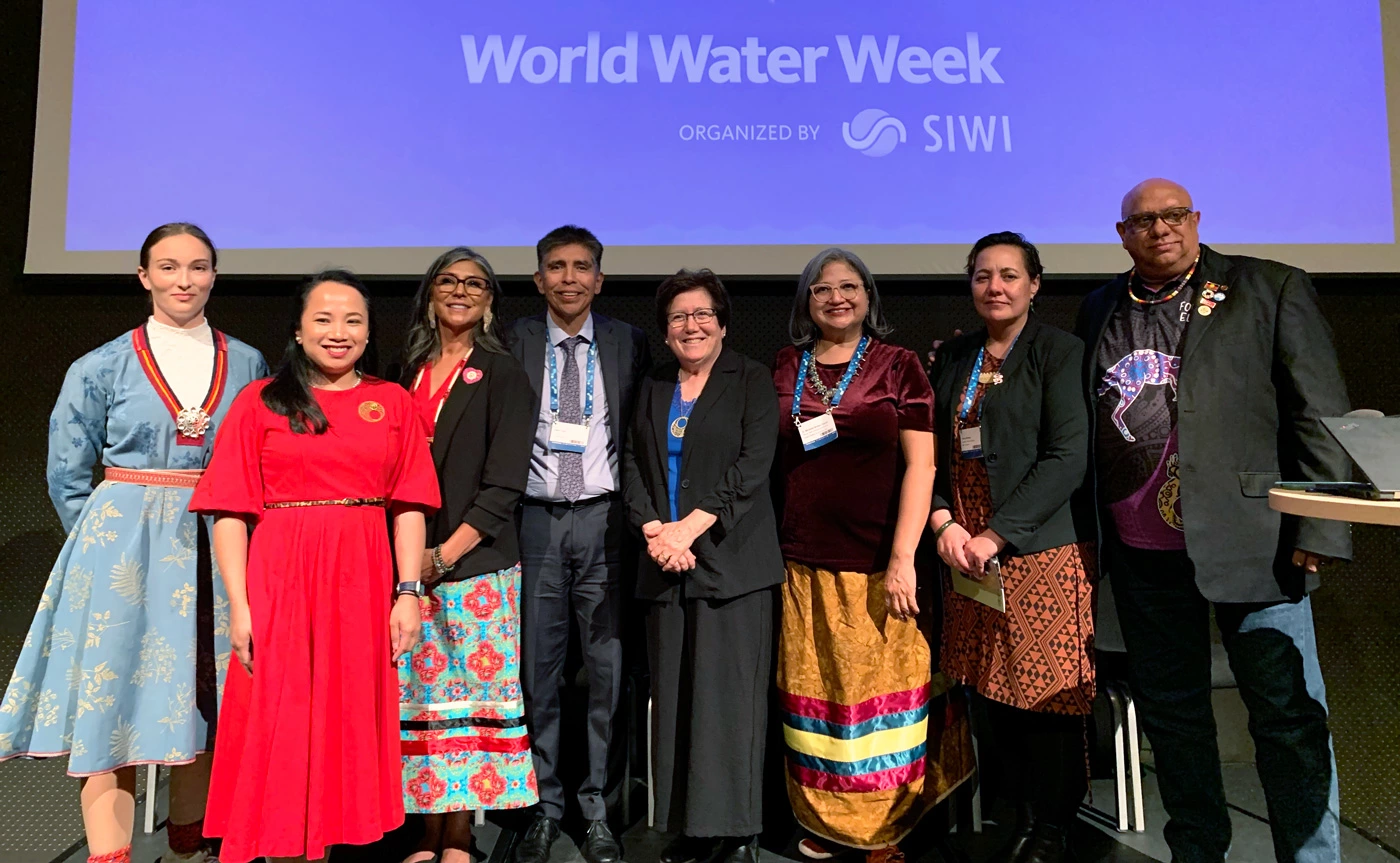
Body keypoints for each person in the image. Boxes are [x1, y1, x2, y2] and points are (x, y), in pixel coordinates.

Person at [1075, 178, 1351, 863]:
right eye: (1142, 221)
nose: (1159, 229)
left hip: (1256, 542)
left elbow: (1319, 413)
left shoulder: (1268, 287)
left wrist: (1321, 524)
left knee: (1287, 718)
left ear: (1196, 220)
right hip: (1142, 550)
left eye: (1172, 216)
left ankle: (1312, 857)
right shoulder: (1099, 308)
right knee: (1174, 720)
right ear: (1122, 234)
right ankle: (1198, 851)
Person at [0, 223, 266, 863]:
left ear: (214, 276)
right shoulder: (100, 365)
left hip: (215, 538)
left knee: (205, 689)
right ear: (144, 276)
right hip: (123, 549)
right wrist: (102, 544)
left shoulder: (250, 362)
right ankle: (110, 853)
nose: (184, 281)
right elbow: (67, 471)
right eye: (169, 268)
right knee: (114, 691)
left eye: (198, 268)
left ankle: (189, 838)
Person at [188, 270, 440, 863]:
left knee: (347, 717)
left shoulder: (392, 401)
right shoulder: (260, 402)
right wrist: (239, 608)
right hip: (279, 578)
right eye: (323, 319)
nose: (338, 332)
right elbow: (229, 511)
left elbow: (408, 504)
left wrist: (407, 592)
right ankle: (280, 848)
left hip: (362, 579)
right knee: (281, 718)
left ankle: (330, 846)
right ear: (298, 331)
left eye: (353, 320)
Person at [773, 249, 974, 863]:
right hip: (802, 560)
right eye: (822, 289)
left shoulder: (899, 366)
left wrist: (904, 557)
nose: (836, 297)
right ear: (806, 301)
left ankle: (883, 829)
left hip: (880, 562)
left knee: (884, 705)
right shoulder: (786, 365)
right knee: (819, 697)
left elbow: (922, 465)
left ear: (868, 297)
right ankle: (826, 822)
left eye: (849, 287)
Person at [930, 232, 1095, 863]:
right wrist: (945, 522)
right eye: (981, 276)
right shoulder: (955, 356)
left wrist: (998, 534)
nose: (994, 287)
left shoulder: (1059, 352)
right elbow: (937, 450)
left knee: (1045, 694)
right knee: (989, 686)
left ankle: (1051, 825)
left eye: (1008, 275)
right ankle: (1016, 810)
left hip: (1037, 553)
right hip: (967, 556)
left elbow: (1066, 458)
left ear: (1034, 286)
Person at [621, 270, 782, 863]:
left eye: (702, 314)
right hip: (664, 565)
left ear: (722, 322)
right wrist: (656, 531)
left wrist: (691, 526)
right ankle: (688, 829)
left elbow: (753, 464)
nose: (691, 326)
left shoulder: (751, 379)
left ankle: (736, 833)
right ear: (665, 332)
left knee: (730, 705)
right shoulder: (653, 383)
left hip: (732, 567)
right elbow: (631, 466)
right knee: (677, 704)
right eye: (678, 318)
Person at [506, 225, 650, 863]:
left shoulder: (630, 344)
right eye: (556, 267)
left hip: (607, 522)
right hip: (534, 520)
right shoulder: (512, 342)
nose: (569, 278)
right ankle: (544, 805)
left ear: (600, 278)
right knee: (537, 671)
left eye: (581, 267)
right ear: (538, 279)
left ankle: (597, 810)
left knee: (606, 672)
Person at [396, 248, 539, 863]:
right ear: (430, 293)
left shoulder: (503, 374)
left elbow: (505, 483)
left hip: (472, 565)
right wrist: (408, 561)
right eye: (448, 281)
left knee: (463, 703)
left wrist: (443, 556)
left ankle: (457, 834)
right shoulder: (403, 369)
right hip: (401, 563)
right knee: (419, 701)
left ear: (489, 299)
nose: (460, 291)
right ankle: (423, 830)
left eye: (474, 283)